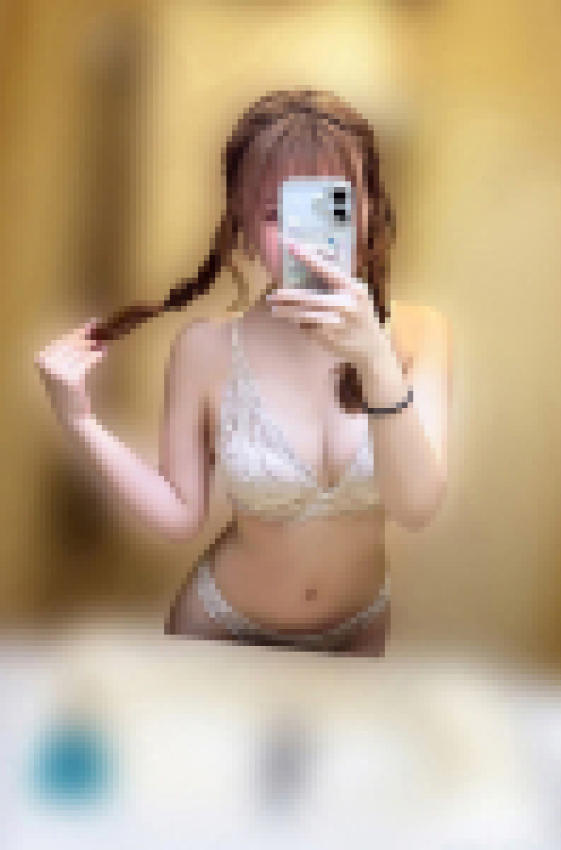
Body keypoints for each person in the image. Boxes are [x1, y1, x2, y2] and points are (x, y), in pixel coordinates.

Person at [34, 89, 452, 657]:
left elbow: (417, 508)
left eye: (332, 203)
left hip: (358, 632)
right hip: (219, 629)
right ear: (244, 227)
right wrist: (79, 421)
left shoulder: (423, 334)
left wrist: (375, 360)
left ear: (370, 208)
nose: (305, 237)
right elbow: (179, 516)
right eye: (277, 214)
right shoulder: (205, 348)